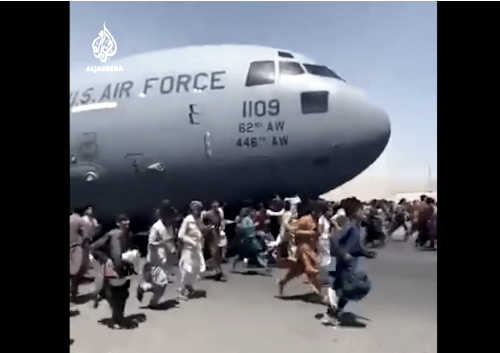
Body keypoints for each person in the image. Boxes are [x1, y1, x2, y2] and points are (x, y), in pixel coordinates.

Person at [323, 198, 376, 326]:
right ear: (354, 213)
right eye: (361, 210)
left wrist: (365, 253)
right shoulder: (350, 226)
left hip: (352, 262)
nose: (364, 213)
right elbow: (333, 238)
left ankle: (333, 313)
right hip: (345, 263)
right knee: (349, 288)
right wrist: (343, 254)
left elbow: (356, 246)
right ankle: (331, 308)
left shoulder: (358, 228)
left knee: (346, 290)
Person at [90, 214, 141, 328]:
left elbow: (131, 248)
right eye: (123, 221)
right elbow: (94, 248)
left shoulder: (129, 234)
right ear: (117, 223)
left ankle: (118, 316)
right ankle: (117, 317)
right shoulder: (111, 234)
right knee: (114, 294)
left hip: (126, 268)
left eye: (127, 220)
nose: (126, 222)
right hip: (112, 268)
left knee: (124, 294)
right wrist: (106, 259)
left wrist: (134, 254)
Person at [137, 200, 178, 308]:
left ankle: (144, 288)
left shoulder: (170, 227)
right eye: (169, 214)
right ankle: (152, 303)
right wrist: (162, 243)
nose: (171, 217)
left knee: (160, 284)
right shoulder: (156, 227)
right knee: (162, 284)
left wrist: (173, 253)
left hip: (164, 260)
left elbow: (170, 241)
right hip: (155, 261)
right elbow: (151, 244)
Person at [278, 201, 322, 297]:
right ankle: (321, 294)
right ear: (314, 211)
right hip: (303, 247)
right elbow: (293, 230)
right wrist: (309, 233)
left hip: (311, 247)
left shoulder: (317, 220)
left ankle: (282, 282)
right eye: (319, 211)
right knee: (314, 269)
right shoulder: (305, 219)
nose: (320, 214)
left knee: (296, 271)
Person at [177, 201, 207, 301]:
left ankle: (189, 286)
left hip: (197, 249)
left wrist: (207, 230)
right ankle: (181, 291)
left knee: (196, 269)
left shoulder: (199, 219)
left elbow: (202, 230)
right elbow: (181, 235)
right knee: (187, 269)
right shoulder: (187, 220)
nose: (197, 210)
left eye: (199, 209)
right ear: (192, 209)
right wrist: (191, 242)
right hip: (188, 249)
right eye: (196, 208)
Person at [233, 207, 270, 271]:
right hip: (247, 240)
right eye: (253, 212)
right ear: (249, 213)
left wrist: (255, 231)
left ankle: (265, 266)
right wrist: (254, 226)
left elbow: (251, 230)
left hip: (252, 239)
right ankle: (237, 263)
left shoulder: (250, 219)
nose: (254, 213)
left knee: (257, 252)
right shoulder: (246, 219)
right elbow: (245, 228)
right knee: (245, 255)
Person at [202, 201, 227, 281]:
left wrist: (221, 226)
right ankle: (217, 270)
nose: (216, 208)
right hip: (210, 233)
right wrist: (208, 227)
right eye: (215, 206)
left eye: (217, 206)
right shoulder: (208, 214)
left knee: (217, 252)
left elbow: (220, 222)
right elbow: (203, 223)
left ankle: (218, 269)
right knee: (214, 252)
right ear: (212, 207)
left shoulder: (218, 213)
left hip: (217, 233)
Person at [70, 207, 90, 301]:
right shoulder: (81, 221)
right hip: (75, 248)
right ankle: (73, 295)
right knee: (76, 272)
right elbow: (85, 236)